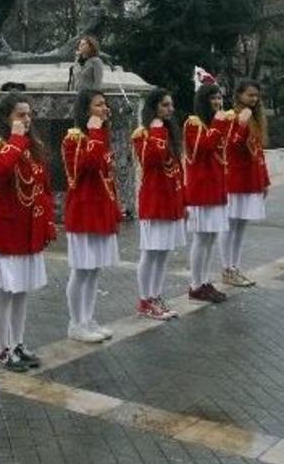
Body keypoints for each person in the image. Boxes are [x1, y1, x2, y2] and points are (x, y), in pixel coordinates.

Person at [0, 94, 55, 371]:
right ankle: (2, 348)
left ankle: (18, 343)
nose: (26, 119)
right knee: (3, 294)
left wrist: (46, 222)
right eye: (19, 115)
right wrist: (16, 139)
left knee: (21, 292)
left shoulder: (32, 147)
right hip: (5, 231)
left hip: (28, 229)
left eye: (28, 114)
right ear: (6, 119)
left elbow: (43, 189)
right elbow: (0, 172)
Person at [62, 89, 121, 343]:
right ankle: (76, 322)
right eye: (98, 105)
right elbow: (89, 165)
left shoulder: (100, 137)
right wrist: (96, 131)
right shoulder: (74, 139)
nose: (104, 108)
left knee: (94, 269)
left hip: (100, 209)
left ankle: (88, 318)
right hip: (84, 210)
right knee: (81, 269)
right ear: (86, 110)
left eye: (105, 104)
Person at [184, 82, 242, 303]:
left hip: (217, 186)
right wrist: (218, 124)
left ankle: (205, 281)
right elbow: (203, 149)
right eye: (213, 99)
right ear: (203, 101)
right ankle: (195, 284)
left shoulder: (215, 124)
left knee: (210, 238)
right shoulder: (193, 123)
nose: (218, 103)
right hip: (201, 188)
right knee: (201, 238)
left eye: (220, 98)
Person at [131, 89, 185, 320]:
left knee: (163, 252)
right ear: (154, 107)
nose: (170, 109)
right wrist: (155, 129)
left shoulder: (168, 132)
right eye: (165, 105)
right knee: (150, 252)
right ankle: (145, 299)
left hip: (171, 198)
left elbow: (177, 170)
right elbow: (151, 159)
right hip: (154, 200)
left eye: (171, 105)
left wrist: (184, 201)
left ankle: (156, 295)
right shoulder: (143, 133)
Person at [219, 79, 270, 287]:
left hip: (251, 179)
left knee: (241, 226)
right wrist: (241, 122)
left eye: (256, 95)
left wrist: (264, 180)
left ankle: (236, 267)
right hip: (235, 178)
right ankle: (226, 268)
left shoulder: (255, 120)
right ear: (239, 95)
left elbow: (259, 153)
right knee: (229, 225)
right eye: (250, 95)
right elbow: (232, 145)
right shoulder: (231, 117)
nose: (254, 99)